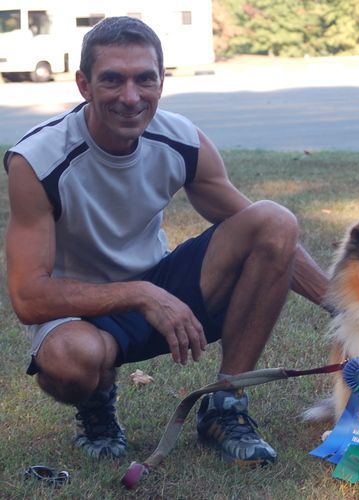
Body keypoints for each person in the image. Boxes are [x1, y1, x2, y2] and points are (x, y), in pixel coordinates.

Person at [4, 16, 328, 464]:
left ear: (161, 82)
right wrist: (140, 294)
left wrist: (349, 310)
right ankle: (96, 403)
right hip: (82, 311)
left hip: (165, 290)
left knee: (275, 218)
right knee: (68, 360)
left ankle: (226, 403)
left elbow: (270, 236)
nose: (130, 96)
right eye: (112, 80)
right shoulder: (37, 160)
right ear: (84, 85)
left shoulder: (182, 140)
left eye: (145, 79)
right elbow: (28, 297)